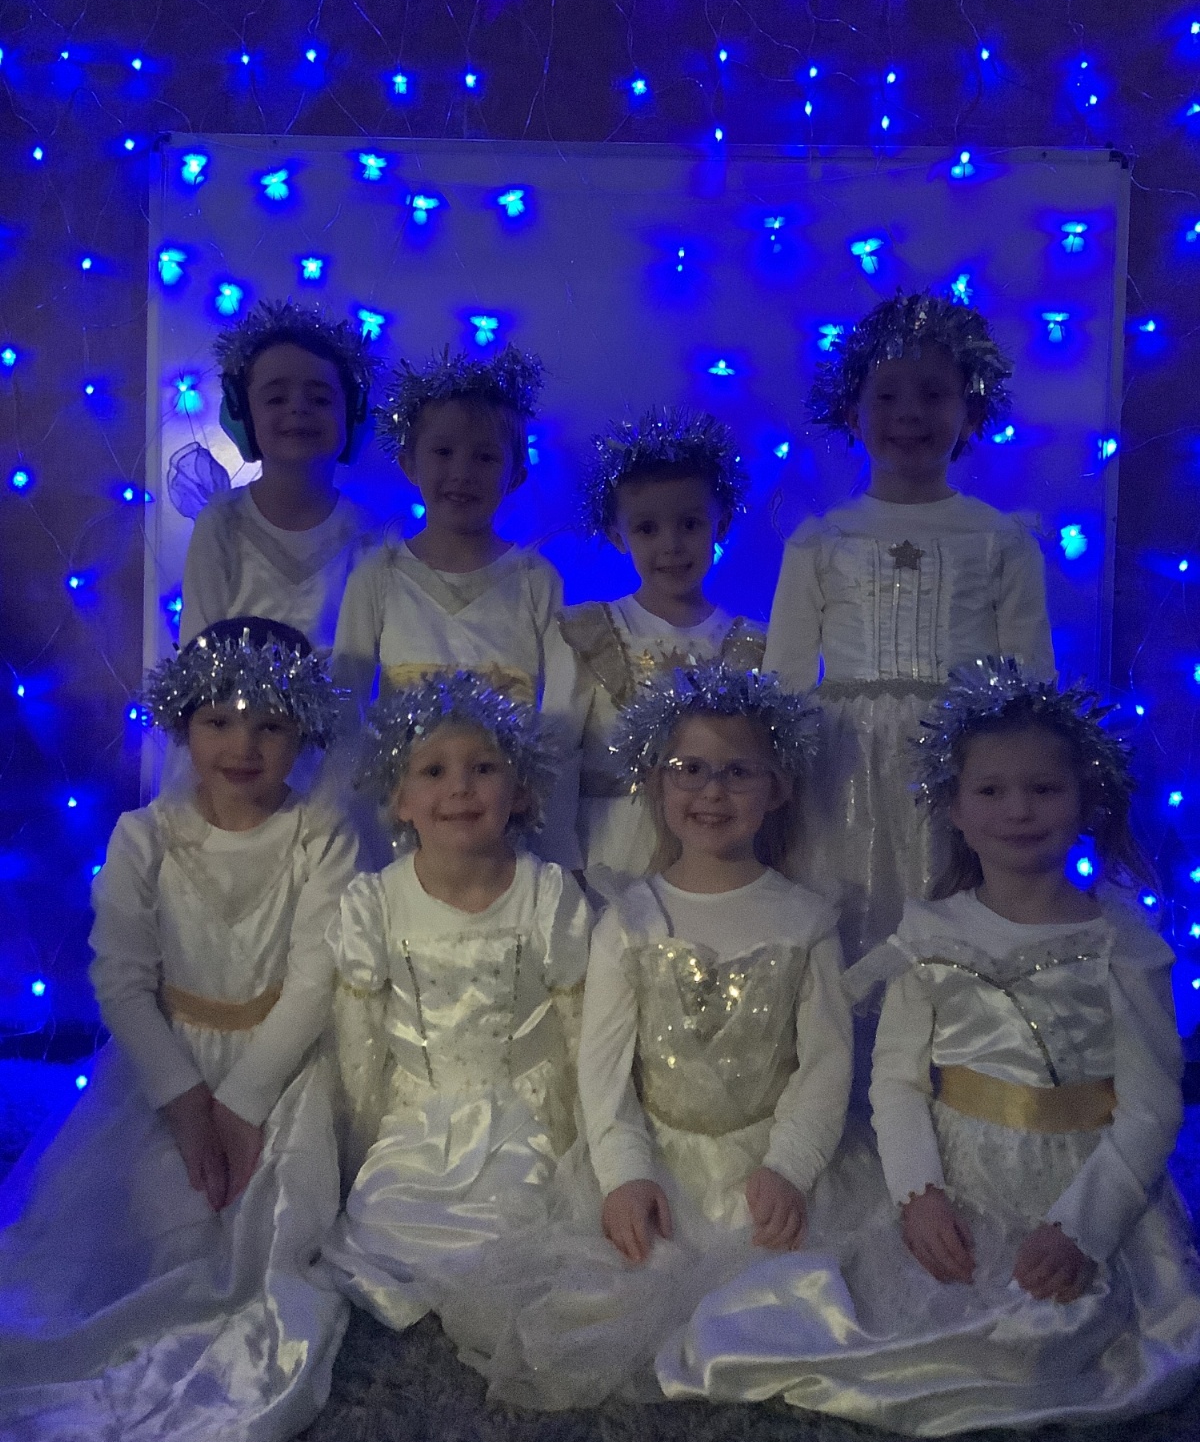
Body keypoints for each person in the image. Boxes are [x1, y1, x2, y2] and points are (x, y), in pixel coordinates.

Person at [659, 657, 1200, 1432]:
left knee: (1053, 1340)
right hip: (960, 1177)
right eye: (992, 791)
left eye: (1044, 789)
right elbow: (897, 1081)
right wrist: (918, 1194)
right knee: (865, 1316)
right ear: (955, 808)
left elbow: (1151, 1107)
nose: (1018, 810)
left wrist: (1085, 1225)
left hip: (1079, 1178)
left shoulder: (1122, 942)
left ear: (1086, 800)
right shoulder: (928, 933)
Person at [436, 664, 867, 1409]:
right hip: (659, 1159)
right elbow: (603, 1072)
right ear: (656, 783)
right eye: (689, 770)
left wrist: (791, 1167)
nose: (712, 792)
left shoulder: (806, 921)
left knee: (797, 1299)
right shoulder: (629, 919)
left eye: (738, 772)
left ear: (778, 788)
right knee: (606, 1295)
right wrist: (626, 1175)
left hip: (767, 1159)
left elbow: (828, 1065)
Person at [0, 618, 358, 1442]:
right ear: (183, 725)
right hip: (170, 1066)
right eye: (219, 721)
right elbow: (121, 979)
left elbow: (317, 978)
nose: (244, 746)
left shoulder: (320, 834)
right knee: (155, 1227)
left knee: (268, 1236)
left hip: (280, 1065)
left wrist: (243, 1103)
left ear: (303, 730)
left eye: (271, 724)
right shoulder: (145, 838)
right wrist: (188, 1103)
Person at [764, 291, 1055, 964]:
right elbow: (783, 679)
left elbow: (1030, 677)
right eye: (887, 396)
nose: (910, 413)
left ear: (970, 412)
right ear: (853, 413)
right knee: (842, 913)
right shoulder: (822, 540)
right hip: (842, 769)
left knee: (954, 917)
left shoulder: (1000, 539)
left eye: (933, 394)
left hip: (961, 766)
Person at [321, 671, 591, 1333]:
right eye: (433, 771)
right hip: (418, 1116)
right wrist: (354, 1146)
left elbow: (579, 1026)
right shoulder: (375, 903)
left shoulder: (548, 895)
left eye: (483, 768)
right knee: (384, 1221)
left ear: (520, 789)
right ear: (399, 800)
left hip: (523, 1114)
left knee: (521, 1227)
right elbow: (358, 1042)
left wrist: (582, 1138)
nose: (460, 788)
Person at [331, 346, 578, 863]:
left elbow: (559, 715)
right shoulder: (378, 576)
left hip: (505, 828)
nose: (462, 472)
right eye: (443, 452)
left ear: (515, 473)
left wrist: (546, 823)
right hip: (405, 828)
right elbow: (346, 704)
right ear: (409, 463)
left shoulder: (537, 582)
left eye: (485, 457)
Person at [544, 405, 764, 884]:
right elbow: (557, 758)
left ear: (721, 525)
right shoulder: (589, 632)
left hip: (716, 855)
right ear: (617, 535)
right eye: (647, 528)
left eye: (690, 524)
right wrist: (563, 866)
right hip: (609, 854)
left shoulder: (752, 646)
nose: (671, 545)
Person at [180, 301, 380, 656]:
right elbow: (196, 653)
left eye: (320, 399)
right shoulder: (221, 523)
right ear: (243, 417)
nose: (298, 408)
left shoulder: (367, 535)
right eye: (275, 398)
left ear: (351, 416)